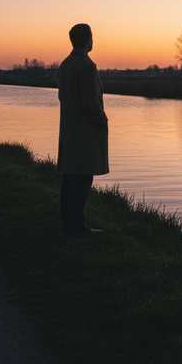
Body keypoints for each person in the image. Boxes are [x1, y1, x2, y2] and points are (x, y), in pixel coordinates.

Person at [57, 23, 109, 234]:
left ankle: (68, 222)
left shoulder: (65, 65)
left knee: (70, 177)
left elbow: (63, 96)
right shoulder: (87, 66)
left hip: (69, 129)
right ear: (87, 39)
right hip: (85, 131)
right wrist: (102, 120)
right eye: (92, 36)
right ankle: (77, 227)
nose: (93, 40)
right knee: (84, 176)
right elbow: (90, 102)